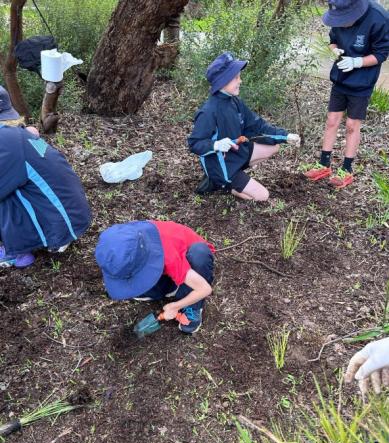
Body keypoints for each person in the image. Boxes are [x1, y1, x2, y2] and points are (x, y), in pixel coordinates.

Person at [188, 52, 301, 202]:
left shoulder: (235, 101)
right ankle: (222, 183)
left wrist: (285, 136)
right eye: (236, 78)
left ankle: (237, 177)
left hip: (237, 153)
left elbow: (257, 125)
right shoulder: (209, 111)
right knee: (262, 196)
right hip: (221, 165)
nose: (240, 81)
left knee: (274, 147)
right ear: (223, 81)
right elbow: (195, 143)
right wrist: (216, 145)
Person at [0, 85, 92, 267]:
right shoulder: (19, 133)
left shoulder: (6, 141)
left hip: (59, 225)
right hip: (71, 216)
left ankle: (16, 252)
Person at [305, 0, 389, 188]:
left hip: (362, 82)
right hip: (340, 78)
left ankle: (347, 169)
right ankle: (324, 164)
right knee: (332, 120)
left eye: (344, 21)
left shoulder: (379, 18)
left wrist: (357, 62)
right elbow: (332, 41)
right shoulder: (337, 10)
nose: (341, 24)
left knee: (352, 125)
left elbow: (382, 53)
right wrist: (336, 51)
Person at [95, 220, 214, 334]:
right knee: (148, 287)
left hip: (189, 262)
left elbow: (205, 289)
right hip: (162, 265)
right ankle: (169, 288)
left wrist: (175, 306)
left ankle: (192, 306)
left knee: (199, 255)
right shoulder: (127, 239)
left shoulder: (170, 258)